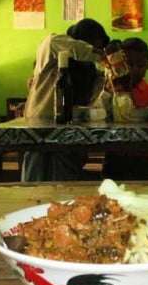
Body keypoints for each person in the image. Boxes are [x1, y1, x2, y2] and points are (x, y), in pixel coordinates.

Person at [21, 18, 110, 182]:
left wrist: (107, 77)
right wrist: (100, 56)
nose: (95, 49)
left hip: (70, 131)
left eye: (99, 46)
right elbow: (53, 41)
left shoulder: (90, 71)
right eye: (93, 44)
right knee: (35, 175)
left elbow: (94, 101)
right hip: (40, 123)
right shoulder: (53, 48)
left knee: (65, 176)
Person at [102, 37, 148, 180]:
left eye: (140, 65)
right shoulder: (111, 90)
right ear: (121, 63)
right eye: (129, 64)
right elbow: (101, 117)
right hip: (114, 156)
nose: (134, 70)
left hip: (143, 157)